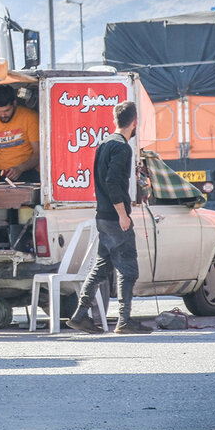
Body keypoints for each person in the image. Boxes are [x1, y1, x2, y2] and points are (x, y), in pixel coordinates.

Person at [66, 100, 153, 334]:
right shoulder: (122, 148)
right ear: (134, 123)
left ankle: (80, 315)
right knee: (128, 269)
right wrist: (123, 215)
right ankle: (124, 321)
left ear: (115, 120)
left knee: (101, 267)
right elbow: (113, 182)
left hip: (103, 216)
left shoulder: (104, 144)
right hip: (115, 218)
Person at [0, 84, 40, 183]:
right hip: (0, 173)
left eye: (7, 110)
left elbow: (39, 153)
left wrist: (20, 168)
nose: (3, 115)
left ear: (14, 104)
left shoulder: (30, 117)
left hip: (28, 171)